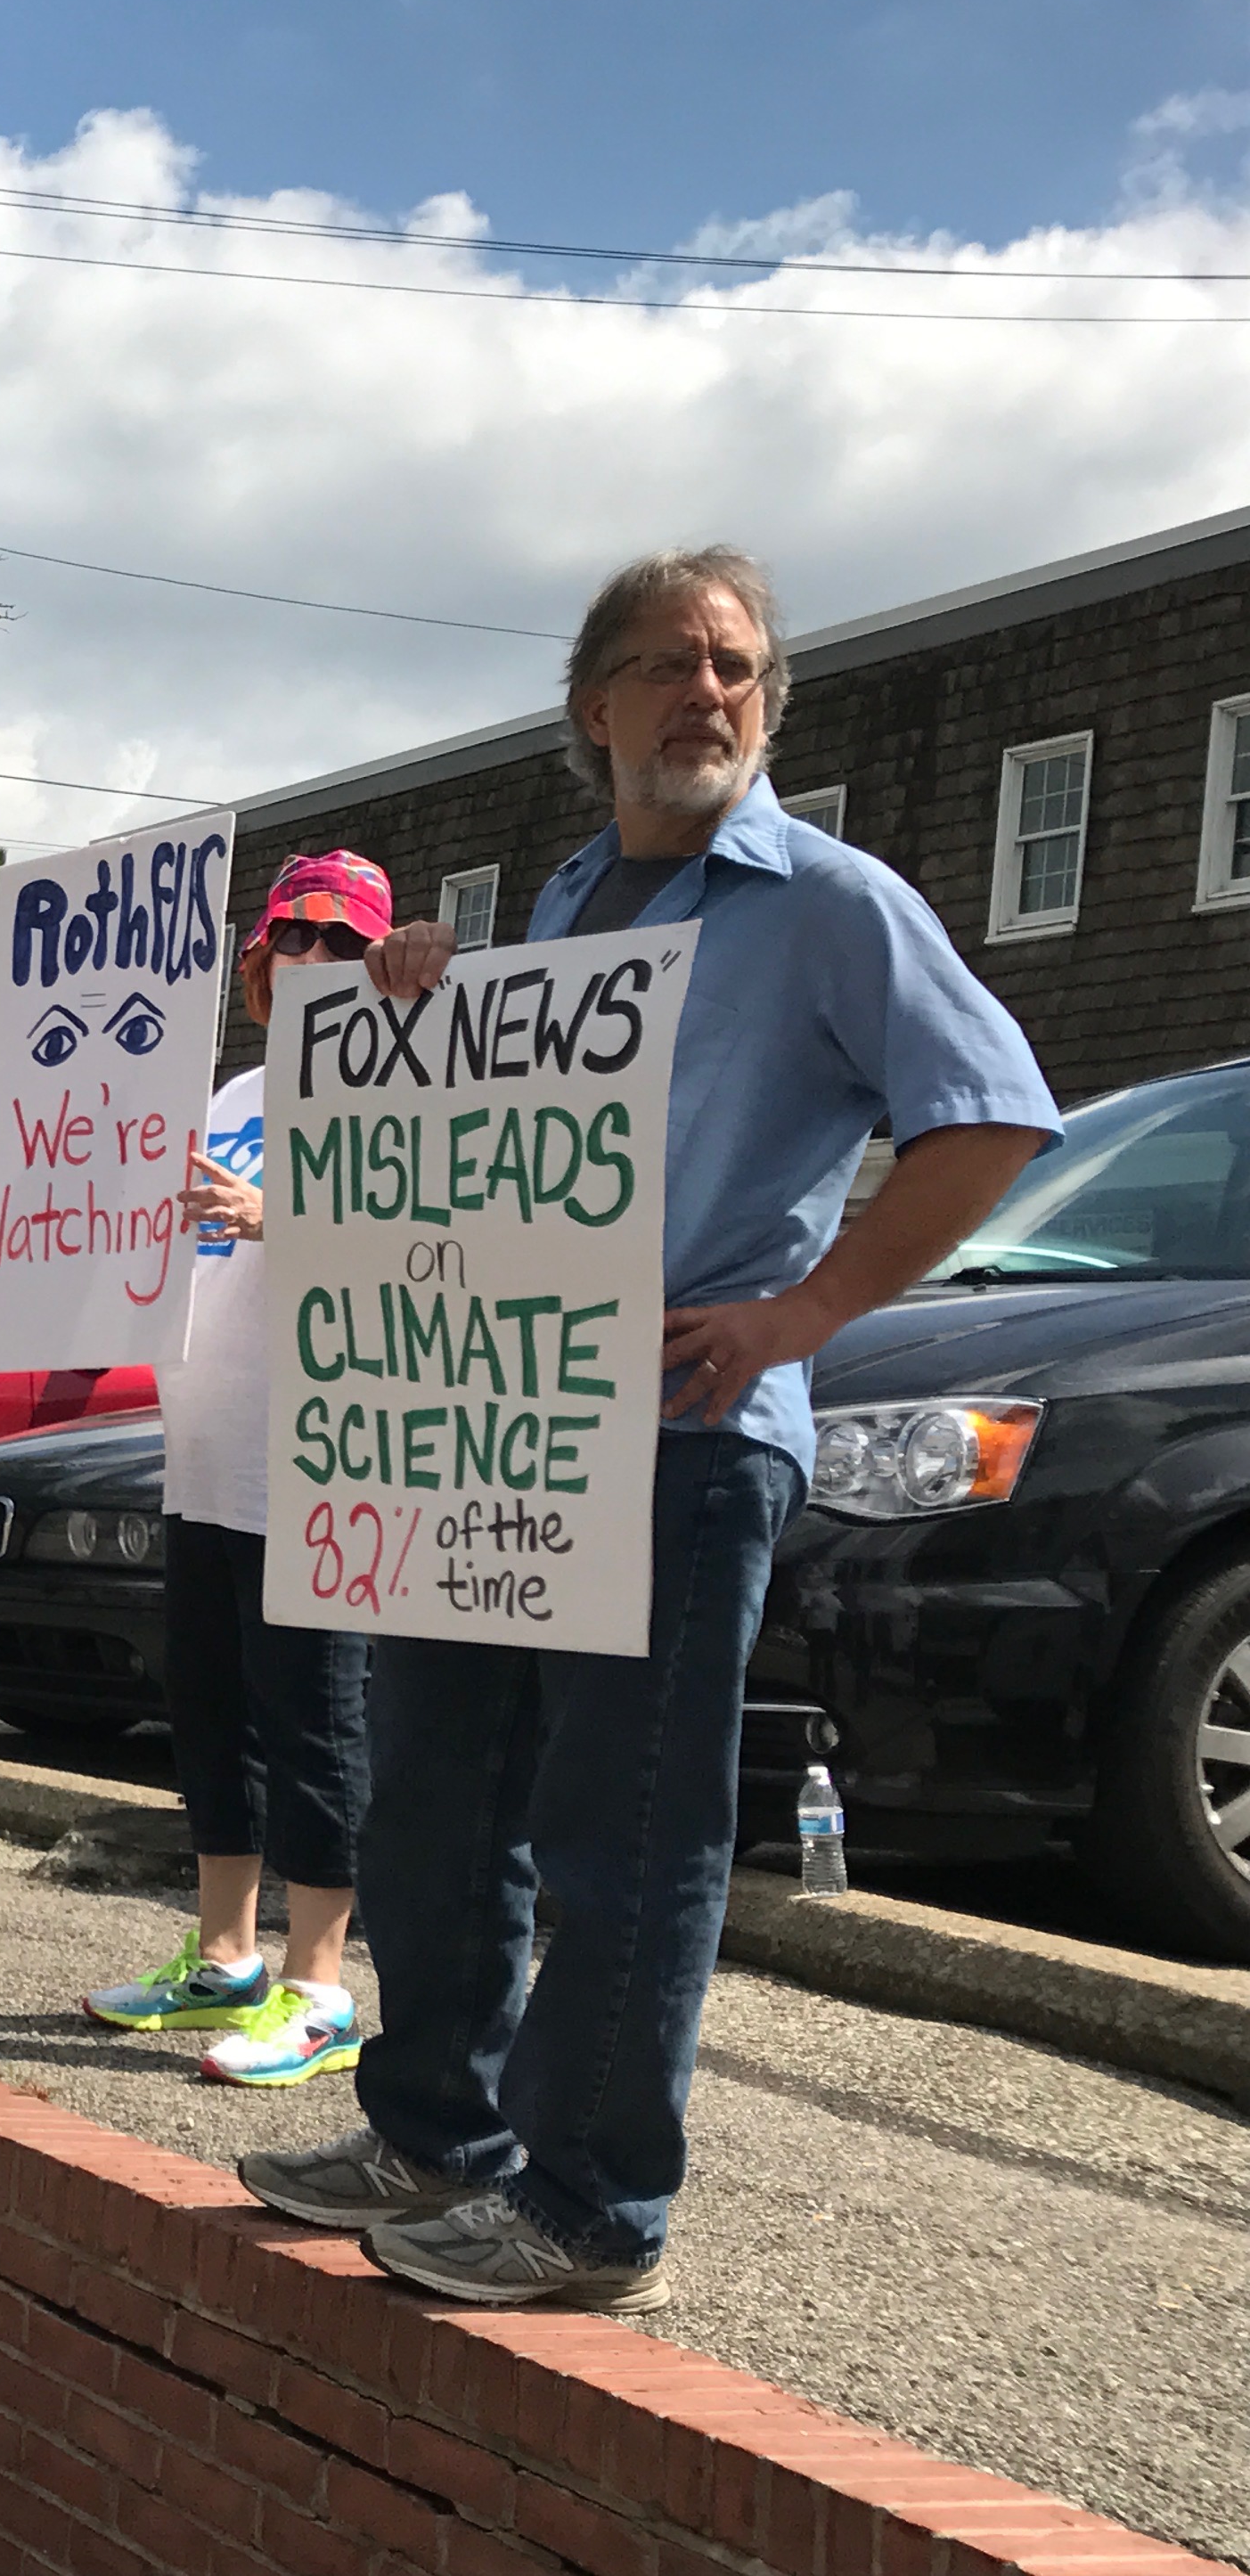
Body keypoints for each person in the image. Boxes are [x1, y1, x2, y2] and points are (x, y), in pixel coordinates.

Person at [239, 546, 1058, 2311]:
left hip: (686, 1430)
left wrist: (809, 1315)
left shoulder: (835, 903)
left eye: (741, 668)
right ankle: (432, 2135)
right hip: (489, 1419)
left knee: (627, 1821)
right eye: (674, 665)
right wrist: (429, 1005)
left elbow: (988, 1125)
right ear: (591, 707)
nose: (713, 696)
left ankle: (593, 2208)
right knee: (439, 1796)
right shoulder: (570, 905)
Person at [79, 852, 390, 2086]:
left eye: (339, 941)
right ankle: (226, 1956)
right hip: (202, 1457)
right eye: (291, 940)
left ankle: (322, 1984)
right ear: (259, 967)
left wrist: (280, 1220)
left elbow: (431, 1240)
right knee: (209, 1710)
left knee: (315, 1720)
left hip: (318, 1467)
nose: (311, 958)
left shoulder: (393, 1087)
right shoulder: (228, 1093)